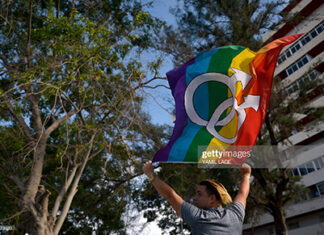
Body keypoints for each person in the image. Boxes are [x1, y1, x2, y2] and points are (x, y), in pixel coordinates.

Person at [142, 161, 251, 234]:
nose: (194, 198)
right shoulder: (236, 214)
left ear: (212, 199)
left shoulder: (200, 217)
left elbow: (170, 195)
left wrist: (151, 175)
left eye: (199, 194)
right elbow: (242, 194)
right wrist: (246, 174)